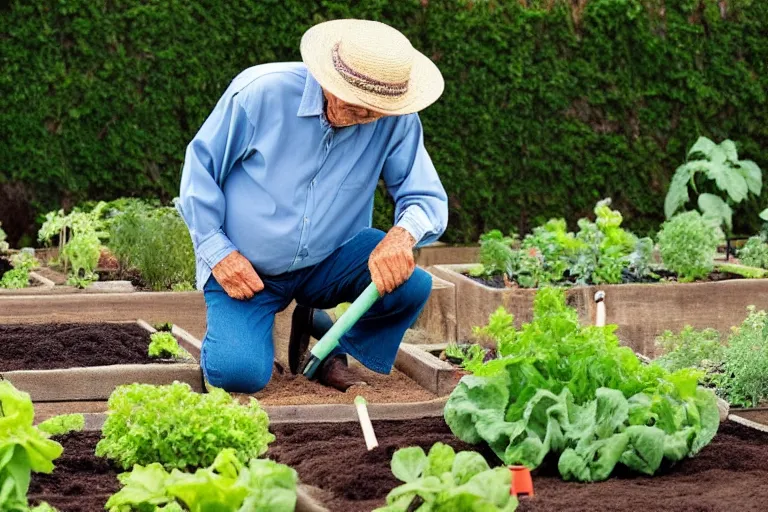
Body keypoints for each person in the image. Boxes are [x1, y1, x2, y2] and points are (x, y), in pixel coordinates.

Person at [177, 19, 448, 393]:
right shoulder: (259, 93)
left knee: (411, 285)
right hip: (246, 269)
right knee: (237, 374)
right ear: (329, 79)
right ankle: (264, 331)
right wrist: (218, 254)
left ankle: (328, 346)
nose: (368, 117)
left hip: (327, 262)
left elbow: (426, 198)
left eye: (378, 109)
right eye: (358, 104)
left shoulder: (393, 118)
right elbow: (200, 172)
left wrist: (402, 236)